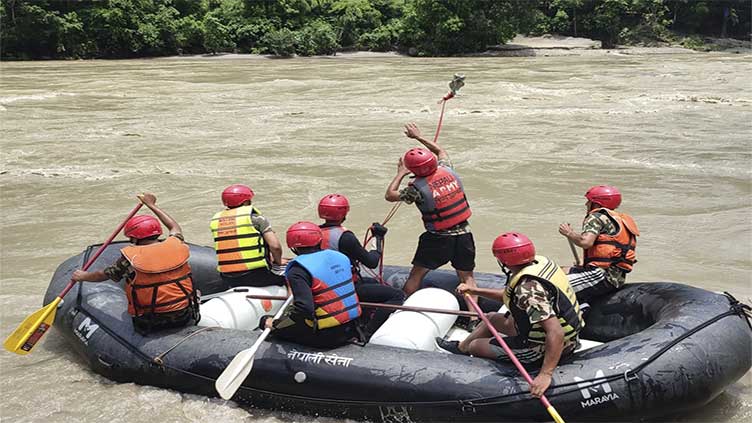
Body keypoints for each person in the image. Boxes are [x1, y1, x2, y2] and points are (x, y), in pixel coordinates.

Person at [436, 232, 584, 398]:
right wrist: (475, 290)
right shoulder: (541, 264)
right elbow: (509, 295)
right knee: (492, 318)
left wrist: (545, 375)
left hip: (547, 345)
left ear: (503, 261)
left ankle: (475, 350)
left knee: (476, 346)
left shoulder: (528, 290)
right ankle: (461, 348)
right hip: (552, 332)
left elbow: (555, 331)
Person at [72, 193, 199, 335]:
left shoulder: (130, 259)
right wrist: (152, 205)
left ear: (134, 238)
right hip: (185, 316)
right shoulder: (176, 244)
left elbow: (103, 275)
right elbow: (174, 226)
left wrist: (83, 276)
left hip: (151, 321)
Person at [384, 122, 478, 313]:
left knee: (416, 275)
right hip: (464, 235)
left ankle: (402, 310)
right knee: (467, 278)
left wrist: (400, 174)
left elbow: (390, 195)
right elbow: (440, 150)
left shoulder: (415, 189)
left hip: (438, 239)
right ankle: (474, 318)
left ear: (413, 171)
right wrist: (418, 137)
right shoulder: (448, 170)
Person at [259, 221, 361, 348]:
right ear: (319, 240)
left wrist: (275, 325)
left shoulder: (297, 270)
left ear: (293, 247)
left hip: (326, 335)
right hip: (352, 327)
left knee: (265, 320)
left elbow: (304, 309)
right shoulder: (341, 257)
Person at [317, 193, 406, 337]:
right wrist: (378, 238)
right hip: (344, 289)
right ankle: (368, 332)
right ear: (345, 212)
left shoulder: (314, 233)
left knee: (372, 282)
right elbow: (371, 261)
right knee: (397, 295)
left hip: (322, 286)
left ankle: (359, 320)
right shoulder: (345, 237)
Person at [558, 185, 639, 303]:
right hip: (616, 277)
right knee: (557, 270)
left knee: (550, 286)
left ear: (597, 204)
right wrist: (585, 262)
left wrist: (569, 233)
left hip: (601, 276)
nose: (586, 204)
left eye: (589, 201)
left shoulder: (596, 217)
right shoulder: (620, 220)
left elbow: (585, 242)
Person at [210, 184, 286, 288]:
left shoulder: (216, 221)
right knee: (290, 278)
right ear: (245, 201)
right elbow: (275, 246)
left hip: (228, 278)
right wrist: (278, 262)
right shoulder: (256, 219)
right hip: (256, 275)